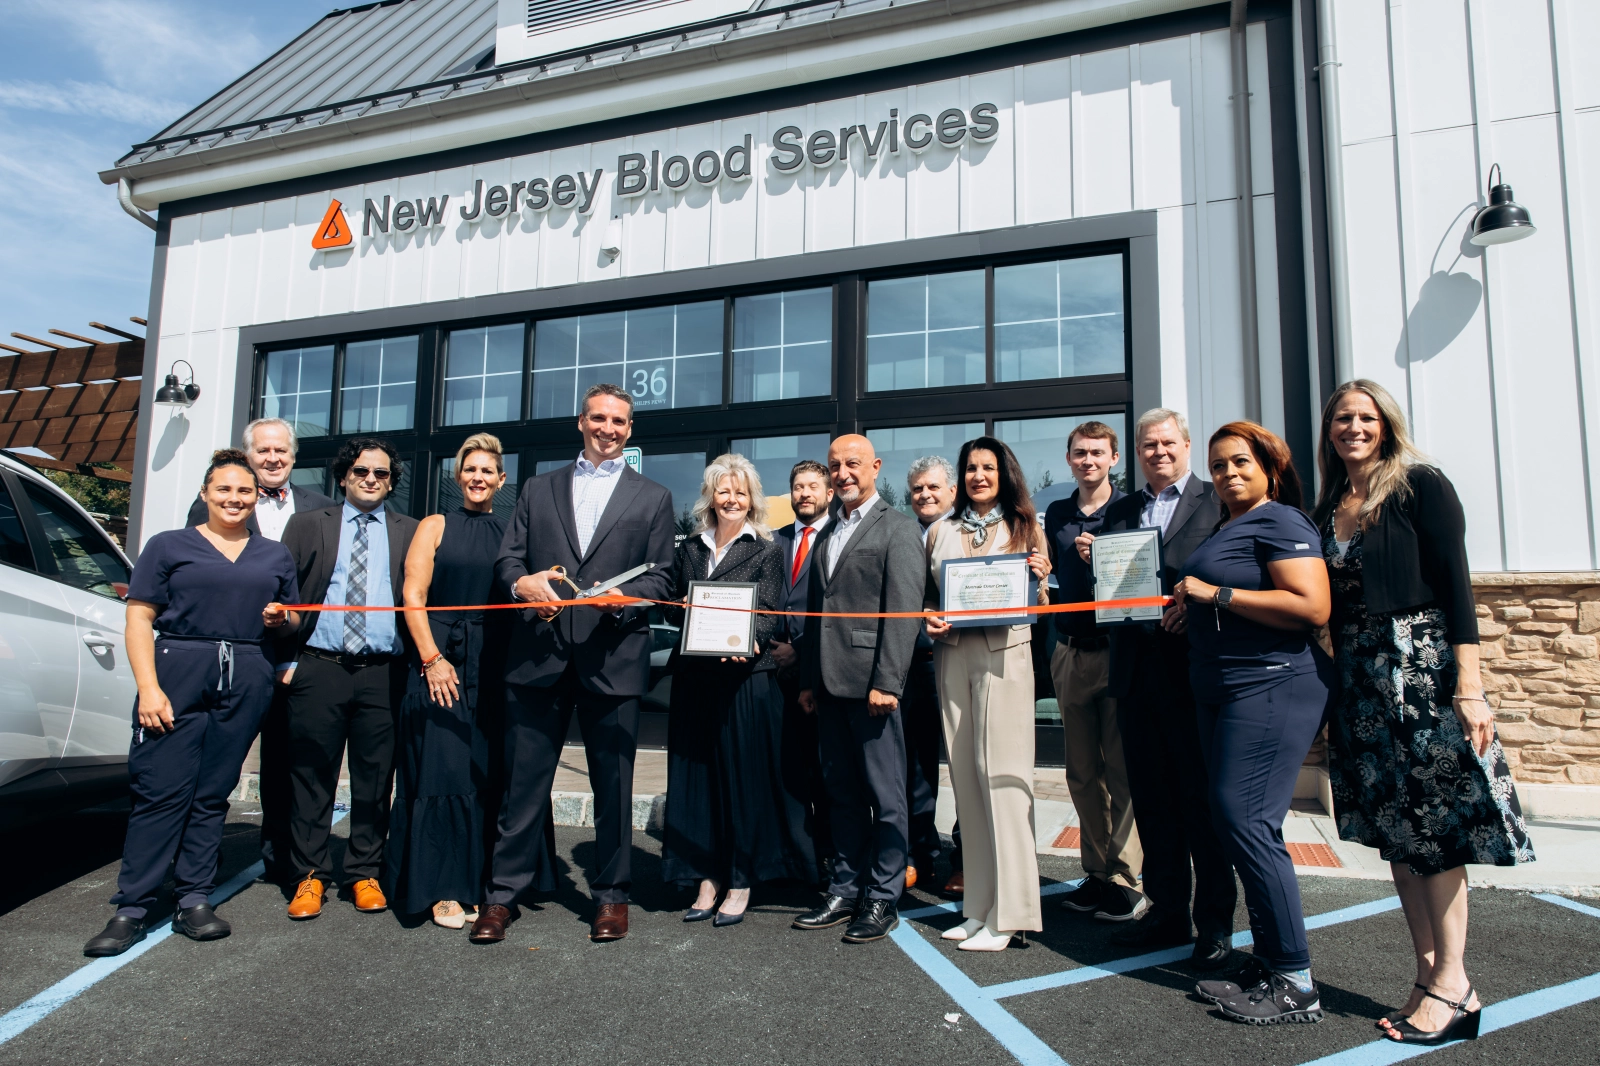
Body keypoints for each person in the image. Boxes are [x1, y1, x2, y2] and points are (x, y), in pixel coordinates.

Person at [1312, 380, 1532, 1045]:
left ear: (1386, 424)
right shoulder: (1329, 505)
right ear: (1330, 431)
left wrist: (1470, 686)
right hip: (1360, 686)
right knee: (1398, 837)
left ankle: (1456, 983)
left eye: (1365, 416)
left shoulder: (1418, 487)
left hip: (1421, 677)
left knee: (1435, 833)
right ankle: (1426, 974)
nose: (1354, 426)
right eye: (1343, 418)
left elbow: (1456, 585)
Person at [473, 383, 675, 944]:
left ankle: (611, 896)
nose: (608, 428)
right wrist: (522, 582)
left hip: (612, 658)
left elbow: (662, 575)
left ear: (629, 430)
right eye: (599, 418)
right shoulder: (539, 489)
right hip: (540, 657)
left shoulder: (653, 497)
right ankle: (501, 896)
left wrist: (629, 599)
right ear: (580, 422)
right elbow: (508, 558)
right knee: (523, 785)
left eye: (619, 421)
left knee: (613, 785)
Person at [85, 450, 300, 957]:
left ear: (257, 497)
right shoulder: (168, 546)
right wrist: (150, 687)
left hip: (247, 672)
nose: (234, 498)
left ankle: (194, 898)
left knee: (211, 793)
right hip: (179, 667)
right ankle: (132, 906)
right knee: (161, 789)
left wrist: (280, 619)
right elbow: (139, 618)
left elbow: (292, 621)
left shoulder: (274, 555)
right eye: (224, 489)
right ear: (205, 495)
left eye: (244, 491)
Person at [1169, 422, 1333, 1024]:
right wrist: (1193, 610)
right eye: (1218, 466)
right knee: (1231, 819)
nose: (1228, 473)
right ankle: (1269, 961)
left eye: (1240, 462)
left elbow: (1312, 607)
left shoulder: (1283, 521)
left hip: (1271, 685)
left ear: (1269, 466)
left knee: (1247, 820)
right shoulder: (1231, 525)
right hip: (1223, 686)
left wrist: (1217, 597)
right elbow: (1228, 592)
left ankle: (1294, 979)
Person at [1082, 408, 1237, 968]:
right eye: (1148, 445)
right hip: (1134, 676)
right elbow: (1108, 590)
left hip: (1193, 676)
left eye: (1166, 443)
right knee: (1153, 803)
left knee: (1201, 804)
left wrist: (1195, 607)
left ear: (1187, 445)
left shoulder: (1217, 502)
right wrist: (1094, 560)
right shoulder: (1121, 510)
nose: (1158, 452)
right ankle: (1167, 910)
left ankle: (1215, 924)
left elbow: (1233, 575)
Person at [662, 454, 814, 925]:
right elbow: (670, 608)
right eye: (724, 491)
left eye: (741, 492)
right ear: (711, 496)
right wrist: (682, 607)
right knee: (699, 781)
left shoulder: (766, 548)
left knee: (744, 782)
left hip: (746, 679)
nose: (732, 500)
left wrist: (750, 639)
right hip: (694, 679)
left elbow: (769, 610)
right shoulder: (689, 548)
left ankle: (742, 877)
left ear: (752, 500)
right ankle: (707, 876)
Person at [186, 417, 333, 886]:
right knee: (216, 763)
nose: (272, 459)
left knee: (289, 764)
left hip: (298, 656)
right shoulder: (215, 506)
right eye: (263, 451)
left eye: (281, 452)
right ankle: (195, 865)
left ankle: (283, 859)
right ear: (247, 456)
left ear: (294, 457)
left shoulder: (324, 508)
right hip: (234, 653)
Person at [279, 438, 418, 921]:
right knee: (312, 775)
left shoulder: (410, 531)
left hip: (383, 671)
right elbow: (284, 592)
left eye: (381, 474)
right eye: (361, 471)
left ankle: (364, 872)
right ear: (343, 476)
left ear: (391, 481)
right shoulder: (306, 525)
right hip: (321, 666)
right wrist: (285, 658)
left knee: (375, 779)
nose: (371, 479)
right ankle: (310, 876)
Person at [793, 434, 923, 944]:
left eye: (852, 464)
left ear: (874, 467)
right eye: (834, 466)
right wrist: (807, 682)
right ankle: (845, 889)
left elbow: (904, 610)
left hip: (873, 688)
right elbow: (815, 616)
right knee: (841, 795)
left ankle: (883, 896)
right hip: (827, 687)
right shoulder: (827, 532)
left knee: (886, 797)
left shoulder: (899, 528)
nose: (843, 473)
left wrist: (888, 682)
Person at [923, 438, 1051, 951]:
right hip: (953, 655)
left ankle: (1012, 913)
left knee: (1003, 778)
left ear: (1005, 474)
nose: (979, 476)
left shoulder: (1026, 526)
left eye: (988, 468)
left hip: (1006, 655)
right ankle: (978, 907)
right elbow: (928, 596)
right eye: (971, 468)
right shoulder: (939, 530)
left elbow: (1041, 603)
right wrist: (930, 616)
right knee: (966, 782)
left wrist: (1042, 579)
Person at [385, 434, 510, 929]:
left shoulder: (509, 531)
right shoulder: (433, 525)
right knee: (442, 769)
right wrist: (432, 659)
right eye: (470, 470)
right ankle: (440, 888)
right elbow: (411, 595)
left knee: (483, 770)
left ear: (501, 481)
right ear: (458, 477)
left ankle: (477, 880)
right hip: (440, 659)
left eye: (488, 471)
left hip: (493, 663)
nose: (478, 478)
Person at [1043, 422, 1145, 922]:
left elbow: (1142, 578)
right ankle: (1096, 871)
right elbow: (1051, 574)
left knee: (1121, 769)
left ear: (1114, 458)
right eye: (1080, 454)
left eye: (1097, 453)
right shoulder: (1058, 513)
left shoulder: (1130, 509)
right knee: (1081, 771)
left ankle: (1125, 876)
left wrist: (1103, 559)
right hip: (1068, 649)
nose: (1088, 461)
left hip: (1115, 648)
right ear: (1069, 460)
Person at [771, 459, 834, 887]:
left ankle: (830, 859)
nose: (805, 493)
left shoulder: (839, 537)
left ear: (829, 493)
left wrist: (801, 651)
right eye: (798, 487)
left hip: (824, 676)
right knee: (787, 771)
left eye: (813, 486)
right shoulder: (773, 542)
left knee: (826, 775)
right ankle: (797, 858)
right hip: (776, 677)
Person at [904, 455, 958, 892]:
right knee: (917, 766)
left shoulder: (967, 535)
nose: (925, 495)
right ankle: (920, 854)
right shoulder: (903, 534)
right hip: (916, 666)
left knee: (965, 765)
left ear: (952, 492)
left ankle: (967, 856)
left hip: (963, 660)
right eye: (918, 488)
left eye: (934, 487)